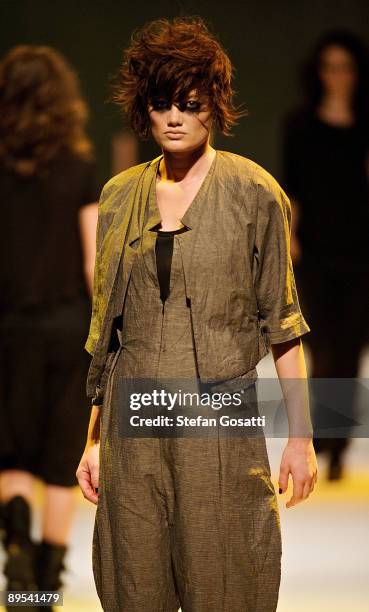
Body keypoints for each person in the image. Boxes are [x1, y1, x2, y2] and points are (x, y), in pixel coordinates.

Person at [77, 16, 318, 612]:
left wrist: (302, 439)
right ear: (144, 109)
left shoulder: (254, 193)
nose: (176, 117)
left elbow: (284, 326)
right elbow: (109, 334)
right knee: (136, 587)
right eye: (162, 104)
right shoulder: (118, 197)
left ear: (215, 104)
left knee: (228, 584)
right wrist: (93, 440)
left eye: (190, 102)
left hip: (221, 428)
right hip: (133, 433)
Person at [0, 45, 101, 608]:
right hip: (70, 329)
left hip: (10, 326)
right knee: (62, 456)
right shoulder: (79, 168)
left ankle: (16, 562)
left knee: (13, 450)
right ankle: (45, 584)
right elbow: (93, 263)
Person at [281, 30, 369, 480]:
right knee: (320, 347)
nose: (337, 77)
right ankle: (320, 439)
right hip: (313, 252)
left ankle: (336, 447)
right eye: (329, 67)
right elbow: (291, 187)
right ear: (318, 72)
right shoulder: (301, 125)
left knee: (349, 350)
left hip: (360, 254)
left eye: (345, 67)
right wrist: (290, 239)